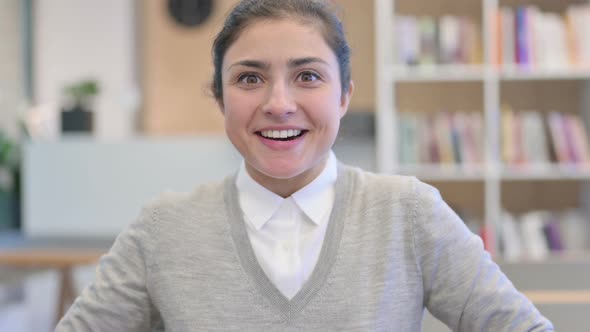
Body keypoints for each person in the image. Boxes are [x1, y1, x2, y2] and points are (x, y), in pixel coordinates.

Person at [56, 0, 554, 330]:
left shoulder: (408, 213)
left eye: (308, 77)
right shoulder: (165, 227)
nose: (279, 103)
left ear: (344, 96)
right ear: (220, 98)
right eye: (249, 79)